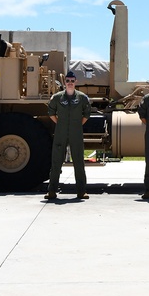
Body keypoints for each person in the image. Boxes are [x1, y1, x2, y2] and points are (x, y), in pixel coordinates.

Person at [46, 70, 91, 200]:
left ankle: (81, 191)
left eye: (72, 81)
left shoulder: (82, 97)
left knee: (78, 161)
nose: (70, 83)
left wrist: (77, 125)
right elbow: (51, 113)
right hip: (61, 132)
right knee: (56, 161)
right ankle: (52, 191)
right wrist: (60, 123)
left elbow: (87, 114)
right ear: (64, 82)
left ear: (75, 82)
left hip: (76, 132)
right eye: (67, 81)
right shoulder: (57, 97)